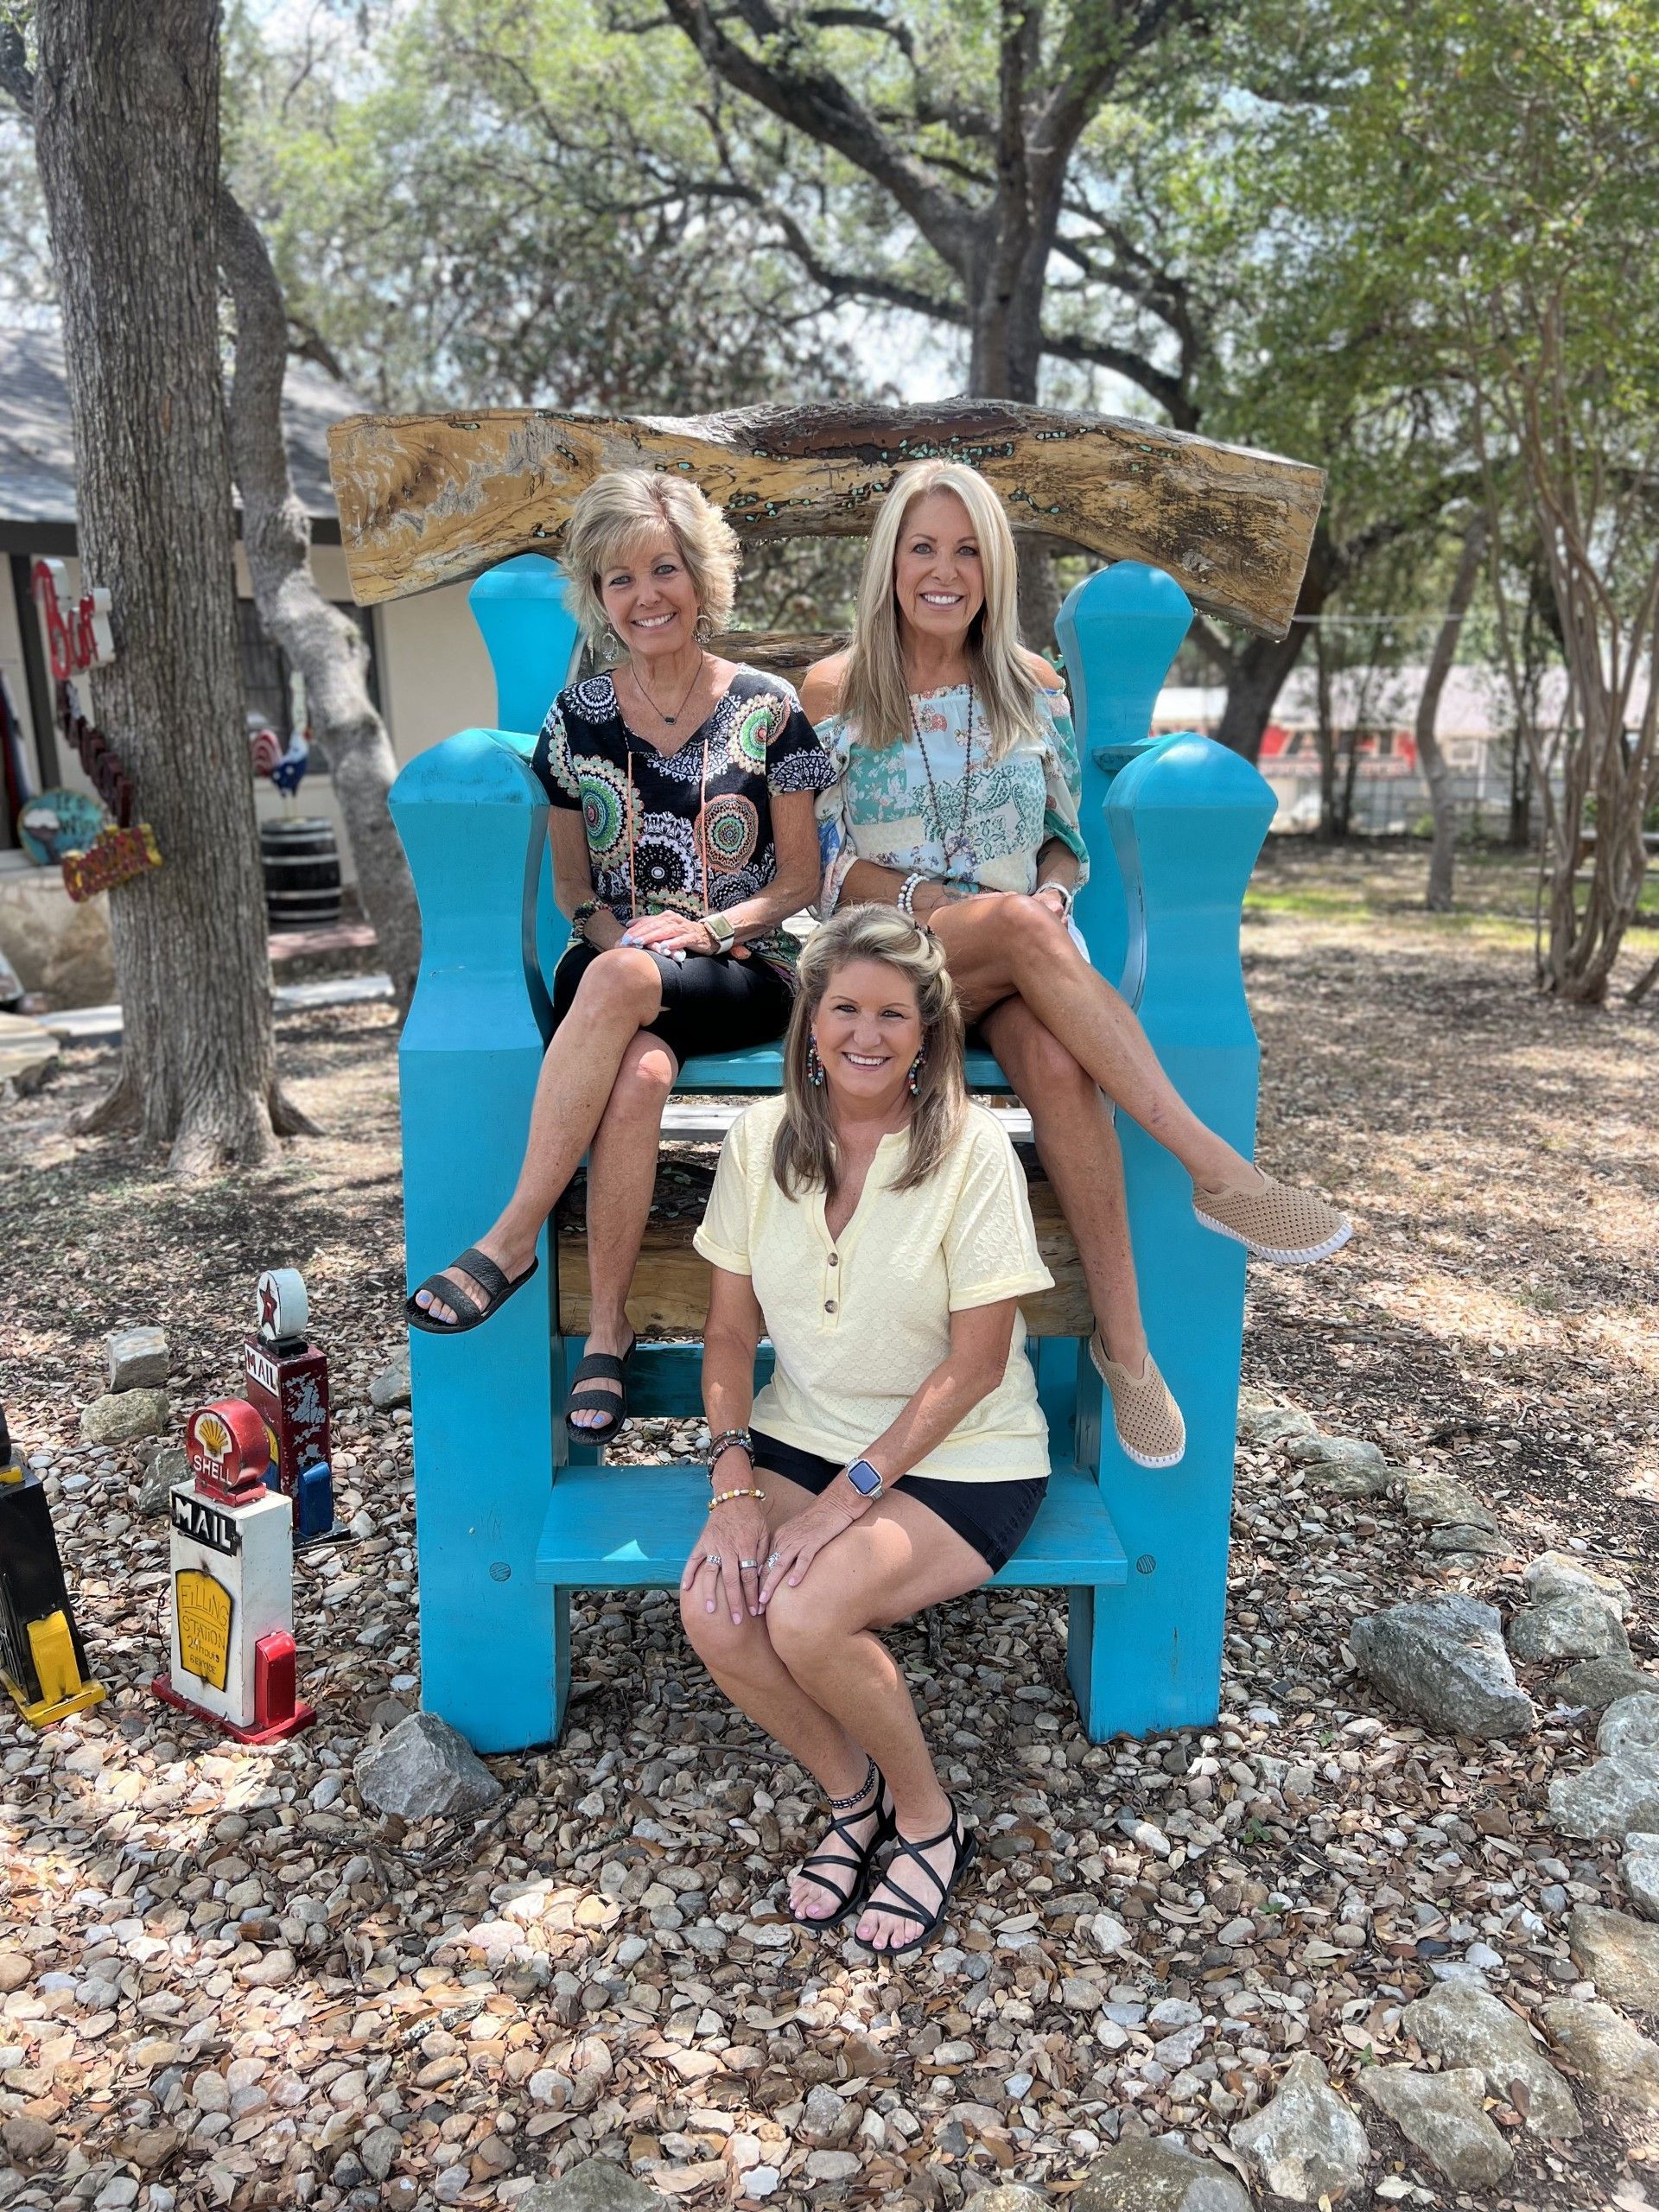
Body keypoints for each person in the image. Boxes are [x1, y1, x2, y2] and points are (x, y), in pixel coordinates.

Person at [800, 460, 1350, 1472]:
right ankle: (1216, 1169)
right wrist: (943, 905)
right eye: (923, 548)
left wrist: (1052, 897)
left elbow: (1063, 841)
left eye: (968, 550)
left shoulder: (1031, 684)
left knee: (1057, 1061)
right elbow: (825, 863)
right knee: (1014, 925)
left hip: (1017, 960)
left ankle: (1126, 1349)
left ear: (994, 569)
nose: (944, 570)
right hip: (890, 961)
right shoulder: (837, 688)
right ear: (890, 563)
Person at [409, 470, 833, 1445]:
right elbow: (574, 891)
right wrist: (623, 940)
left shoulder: (768, 709)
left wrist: (703, 931)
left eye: (663, 569)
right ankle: (608, 1331)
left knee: (629, 981)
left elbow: (801, 882)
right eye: (619, 579)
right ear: (598, 598)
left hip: (742, 963)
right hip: (614, 965)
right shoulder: (578, 716)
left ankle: (512, 1237)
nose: (646, 596)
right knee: (639, 1075)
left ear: (701, 577)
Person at [682, 906, 1052, 1956]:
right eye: (844, 1007)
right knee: (717, 1608)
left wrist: (843, 1504)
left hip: (966, 1452)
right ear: (811, 1019)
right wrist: (734, 1486)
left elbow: (976, 1367)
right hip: (803, 1433)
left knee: (806, 1611)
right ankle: (854, 1799)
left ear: (928, 1030)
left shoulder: (971, 1151)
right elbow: (727, 1334)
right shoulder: (757, 1143)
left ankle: (929, 1823)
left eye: (893, 1013)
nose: (866, 1034)